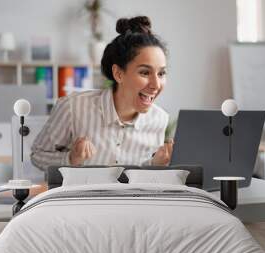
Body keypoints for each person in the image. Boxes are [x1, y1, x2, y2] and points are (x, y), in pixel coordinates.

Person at [31, 16, 173, 171]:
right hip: (81, 195)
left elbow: (140, 173)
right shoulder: (73, 108)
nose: (156, 85)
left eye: (161, 73)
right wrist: (71, 159)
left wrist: (155, 164)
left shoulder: (159, 119)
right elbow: (38, 155)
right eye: (145, 72)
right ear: (118, 74)